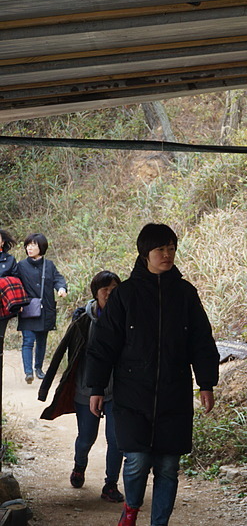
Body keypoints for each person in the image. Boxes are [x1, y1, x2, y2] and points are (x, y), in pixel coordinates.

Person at [85, 224, 219, 526]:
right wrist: (96, 386)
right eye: (161, 249)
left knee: (169, 466)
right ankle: (131, 509)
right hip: (133, 393)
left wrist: (206, 383)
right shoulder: (125, 295)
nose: (168, 254)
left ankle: (160, 523)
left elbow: (202, 340)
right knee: (136, 462)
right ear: (145, 252)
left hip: (175, 393)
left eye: (172, 248)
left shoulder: (185, 294)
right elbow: (104, 344)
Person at [38, 270, 125, 503]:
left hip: (117, 390)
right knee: (87, 437)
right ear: (95, 294)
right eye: (104, 290)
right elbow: (62, 353)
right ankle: (79, 466)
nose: (109, 293)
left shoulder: (128, 319)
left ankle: (110, 484)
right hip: (86, 388)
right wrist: (45, 388)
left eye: (114, 289)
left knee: (116, 439)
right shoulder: (83, 320)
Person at [16, 233, 68, 384]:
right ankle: (28, 372)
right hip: (27, 309)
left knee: (41, 341)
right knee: (28, 341)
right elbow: (15, 283)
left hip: (45, 309)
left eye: (33, 245)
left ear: (41, 247)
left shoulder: (49, 265)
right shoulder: (21, 266)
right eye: (28, 245)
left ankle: (38, 368)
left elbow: (58, 279)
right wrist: (17, 303)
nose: (29, 248)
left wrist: (61, 288)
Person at [0, 229, 19, 353]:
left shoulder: (9, 260)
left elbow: (16, 279)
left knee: (0, 338)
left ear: (2, 242)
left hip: (3, 305)